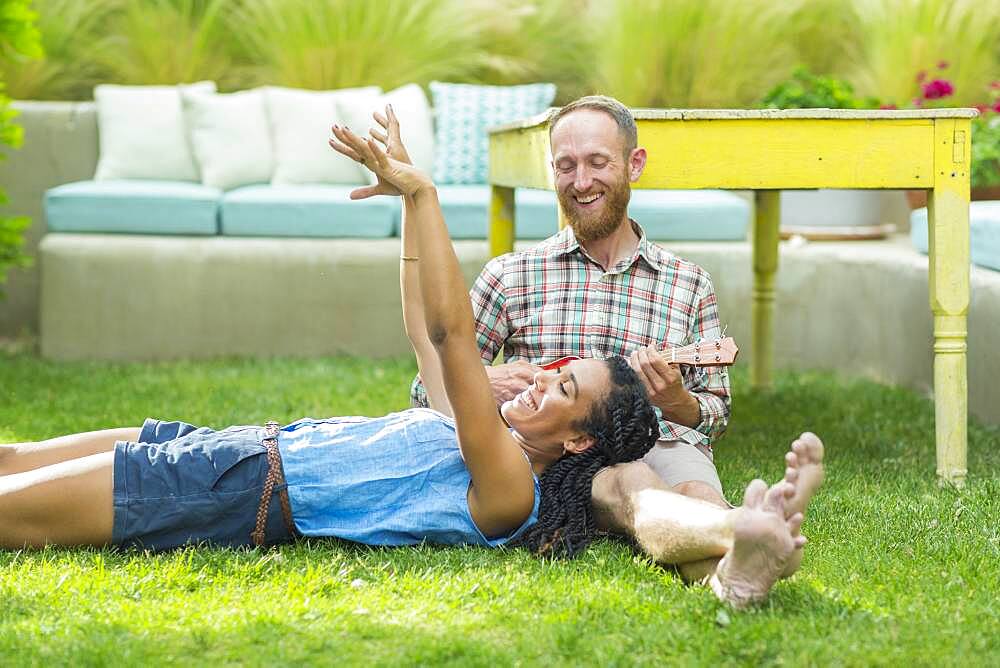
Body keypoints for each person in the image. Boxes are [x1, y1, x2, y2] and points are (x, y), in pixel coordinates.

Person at [0, 107, 821, 608]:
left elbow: (456, 336)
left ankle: (732, 549)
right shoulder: (487, 426)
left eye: (561, 383)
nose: (540, 375)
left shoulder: (505, 482)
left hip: (237, 488)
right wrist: (403, 205)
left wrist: (427, 194)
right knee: (11, 459)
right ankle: (733, 543)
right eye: (552, 366)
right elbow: (428, 336)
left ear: (575, 441)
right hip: (239, 445)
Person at [409, 95, 766, 582]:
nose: (581, 182)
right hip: (554, 456)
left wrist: (678, 400)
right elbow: (426, 390)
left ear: (634, 164)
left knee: (697, 494)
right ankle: (744, 547)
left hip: (659, 437)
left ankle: (739, 571)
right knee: (634, 489)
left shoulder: (688, 283)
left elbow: (714, 417)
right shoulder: (512, 275)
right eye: (566, 166)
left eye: (598, 163)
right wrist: (486, 380)